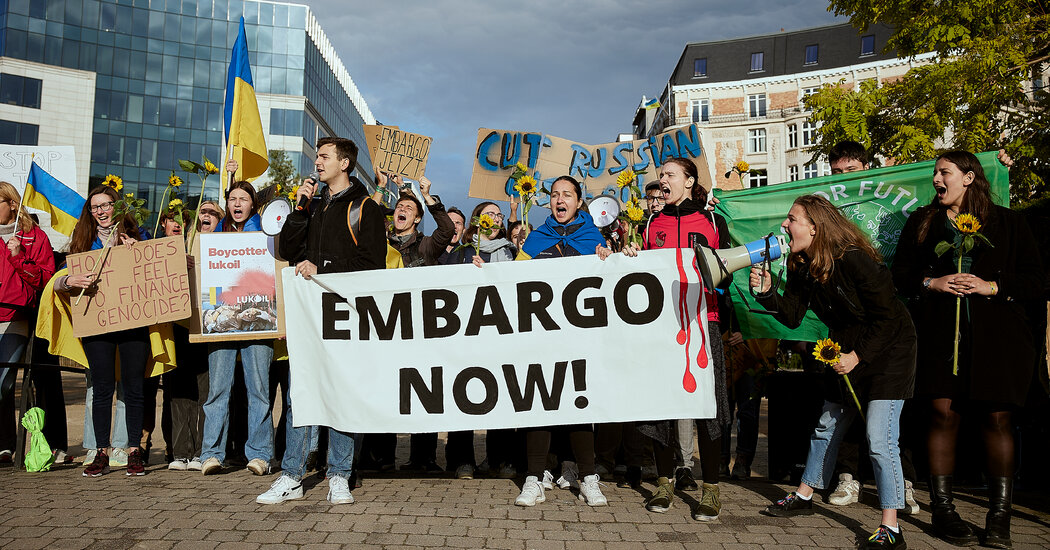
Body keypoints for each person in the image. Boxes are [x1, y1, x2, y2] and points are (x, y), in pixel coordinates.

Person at [891, 151, 1043, 548]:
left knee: (997, 420)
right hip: (940, 336)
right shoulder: (923, 223)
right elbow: (901, 276)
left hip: (1000, 340)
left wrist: (991, 287)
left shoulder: (1011, 223)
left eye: (944, 173)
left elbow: (1037, 281)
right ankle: (944, 511)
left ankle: (1000, 518)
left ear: (969, 178)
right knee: (942, 415)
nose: (936, 179)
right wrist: (932, 283)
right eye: (935, 173)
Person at [755, 194, 916, 550]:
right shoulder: (804, 265)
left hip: (889, 351)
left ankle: (891, 527)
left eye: (792, 219)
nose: (785, 225)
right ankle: (805, 494)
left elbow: (888, 318)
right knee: (826, 425)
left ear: (814, 227)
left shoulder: (854, 260)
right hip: (846, 348)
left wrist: (858, 356)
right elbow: (794, 315)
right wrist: (768, 293)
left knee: (879, 438)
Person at [261, 136, 386, 505]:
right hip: (309, 316)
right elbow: (286, 250)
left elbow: (372, 265)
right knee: (302, 393)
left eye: (324, 156)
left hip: (346, 316)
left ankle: (339, 474)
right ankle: (292, 475)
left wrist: (324, 269)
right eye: (317, 156)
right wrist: (299, 208)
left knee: (340, 393)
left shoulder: (365, 207)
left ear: (344, 163)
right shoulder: (312, 206)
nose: (317, 162)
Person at [623, 157, 731, 521]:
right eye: (661, 175)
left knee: (708, 406)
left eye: (669, 175)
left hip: (704, 321)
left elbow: (728, 274)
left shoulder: (714, 220)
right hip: (663, 326)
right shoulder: (652, 222)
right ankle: (665, 482)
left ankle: (711, 488)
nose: (662, 179)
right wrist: (630, 255)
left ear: (689, 181)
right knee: (663, 405)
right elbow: (642, 273)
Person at [822, 141, 921, 515]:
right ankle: (849, 477)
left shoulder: (890, 203)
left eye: (852, 172)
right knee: (850, 399)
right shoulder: (830, 213)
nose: (845, 180)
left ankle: (902, 482)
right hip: (848, 324)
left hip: (891, 322)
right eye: (837, 175)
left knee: (890, 407)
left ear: (868, 168)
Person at [511, 175, 610, 507]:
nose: (559, 199)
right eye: (554, 195)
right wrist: (485, 271)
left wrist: (608, 259)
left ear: (579, 202)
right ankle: (534, 479)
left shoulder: (593, 237)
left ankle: (588, 478)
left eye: (567, 194)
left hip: (581, 339)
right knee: (542, 404)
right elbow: (513, 279)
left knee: (580, 405)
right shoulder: (536, 239)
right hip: (543, 338)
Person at [57, 184, 151, 476]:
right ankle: (101, 452)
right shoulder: (83, 241)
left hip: (133, 321)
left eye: (106, 205)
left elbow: (154, 269)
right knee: (102, 388)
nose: (101, 212)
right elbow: (59, 280)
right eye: (95, 207)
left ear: (117, 206)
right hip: (98, 325)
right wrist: (70, 279)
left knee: (134, 387)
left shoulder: (139, 236)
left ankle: (134, 450)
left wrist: (139, 254)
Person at [378, 172, 455, 474]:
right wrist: (386, 189)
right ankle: (382, 457)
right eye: (400, 207)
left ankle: (424, 458)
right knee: (387, 391)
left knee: (425, 393)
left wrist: (426, 196)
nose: (403, 211)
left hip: (421, 330)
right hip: (388, 330)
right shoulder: (380, 242)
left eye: (410, 209)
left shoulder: (426, 246)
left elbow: (447, 228)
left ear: (418, 219)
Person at [199, 175, 273, 476]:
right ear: (226, 205)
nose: (237, 203)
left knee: (259, 390)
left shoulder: (268, 235)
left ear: (253, 204)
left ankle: (260, 455)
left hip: (259, 323)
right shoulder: (215, 236)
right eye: (232, 199)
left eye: (243, 199)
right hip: (223, 323)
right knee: (218, 390)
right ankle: (212, 454)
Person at [0, 182, 56, 461]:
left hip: (15, 316)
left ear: (12, 204)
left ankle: (6, 444)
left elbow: (46, 280)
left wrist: (19, 257)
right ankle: (6, 445)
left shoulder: (35, 237)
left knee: (3, 382)